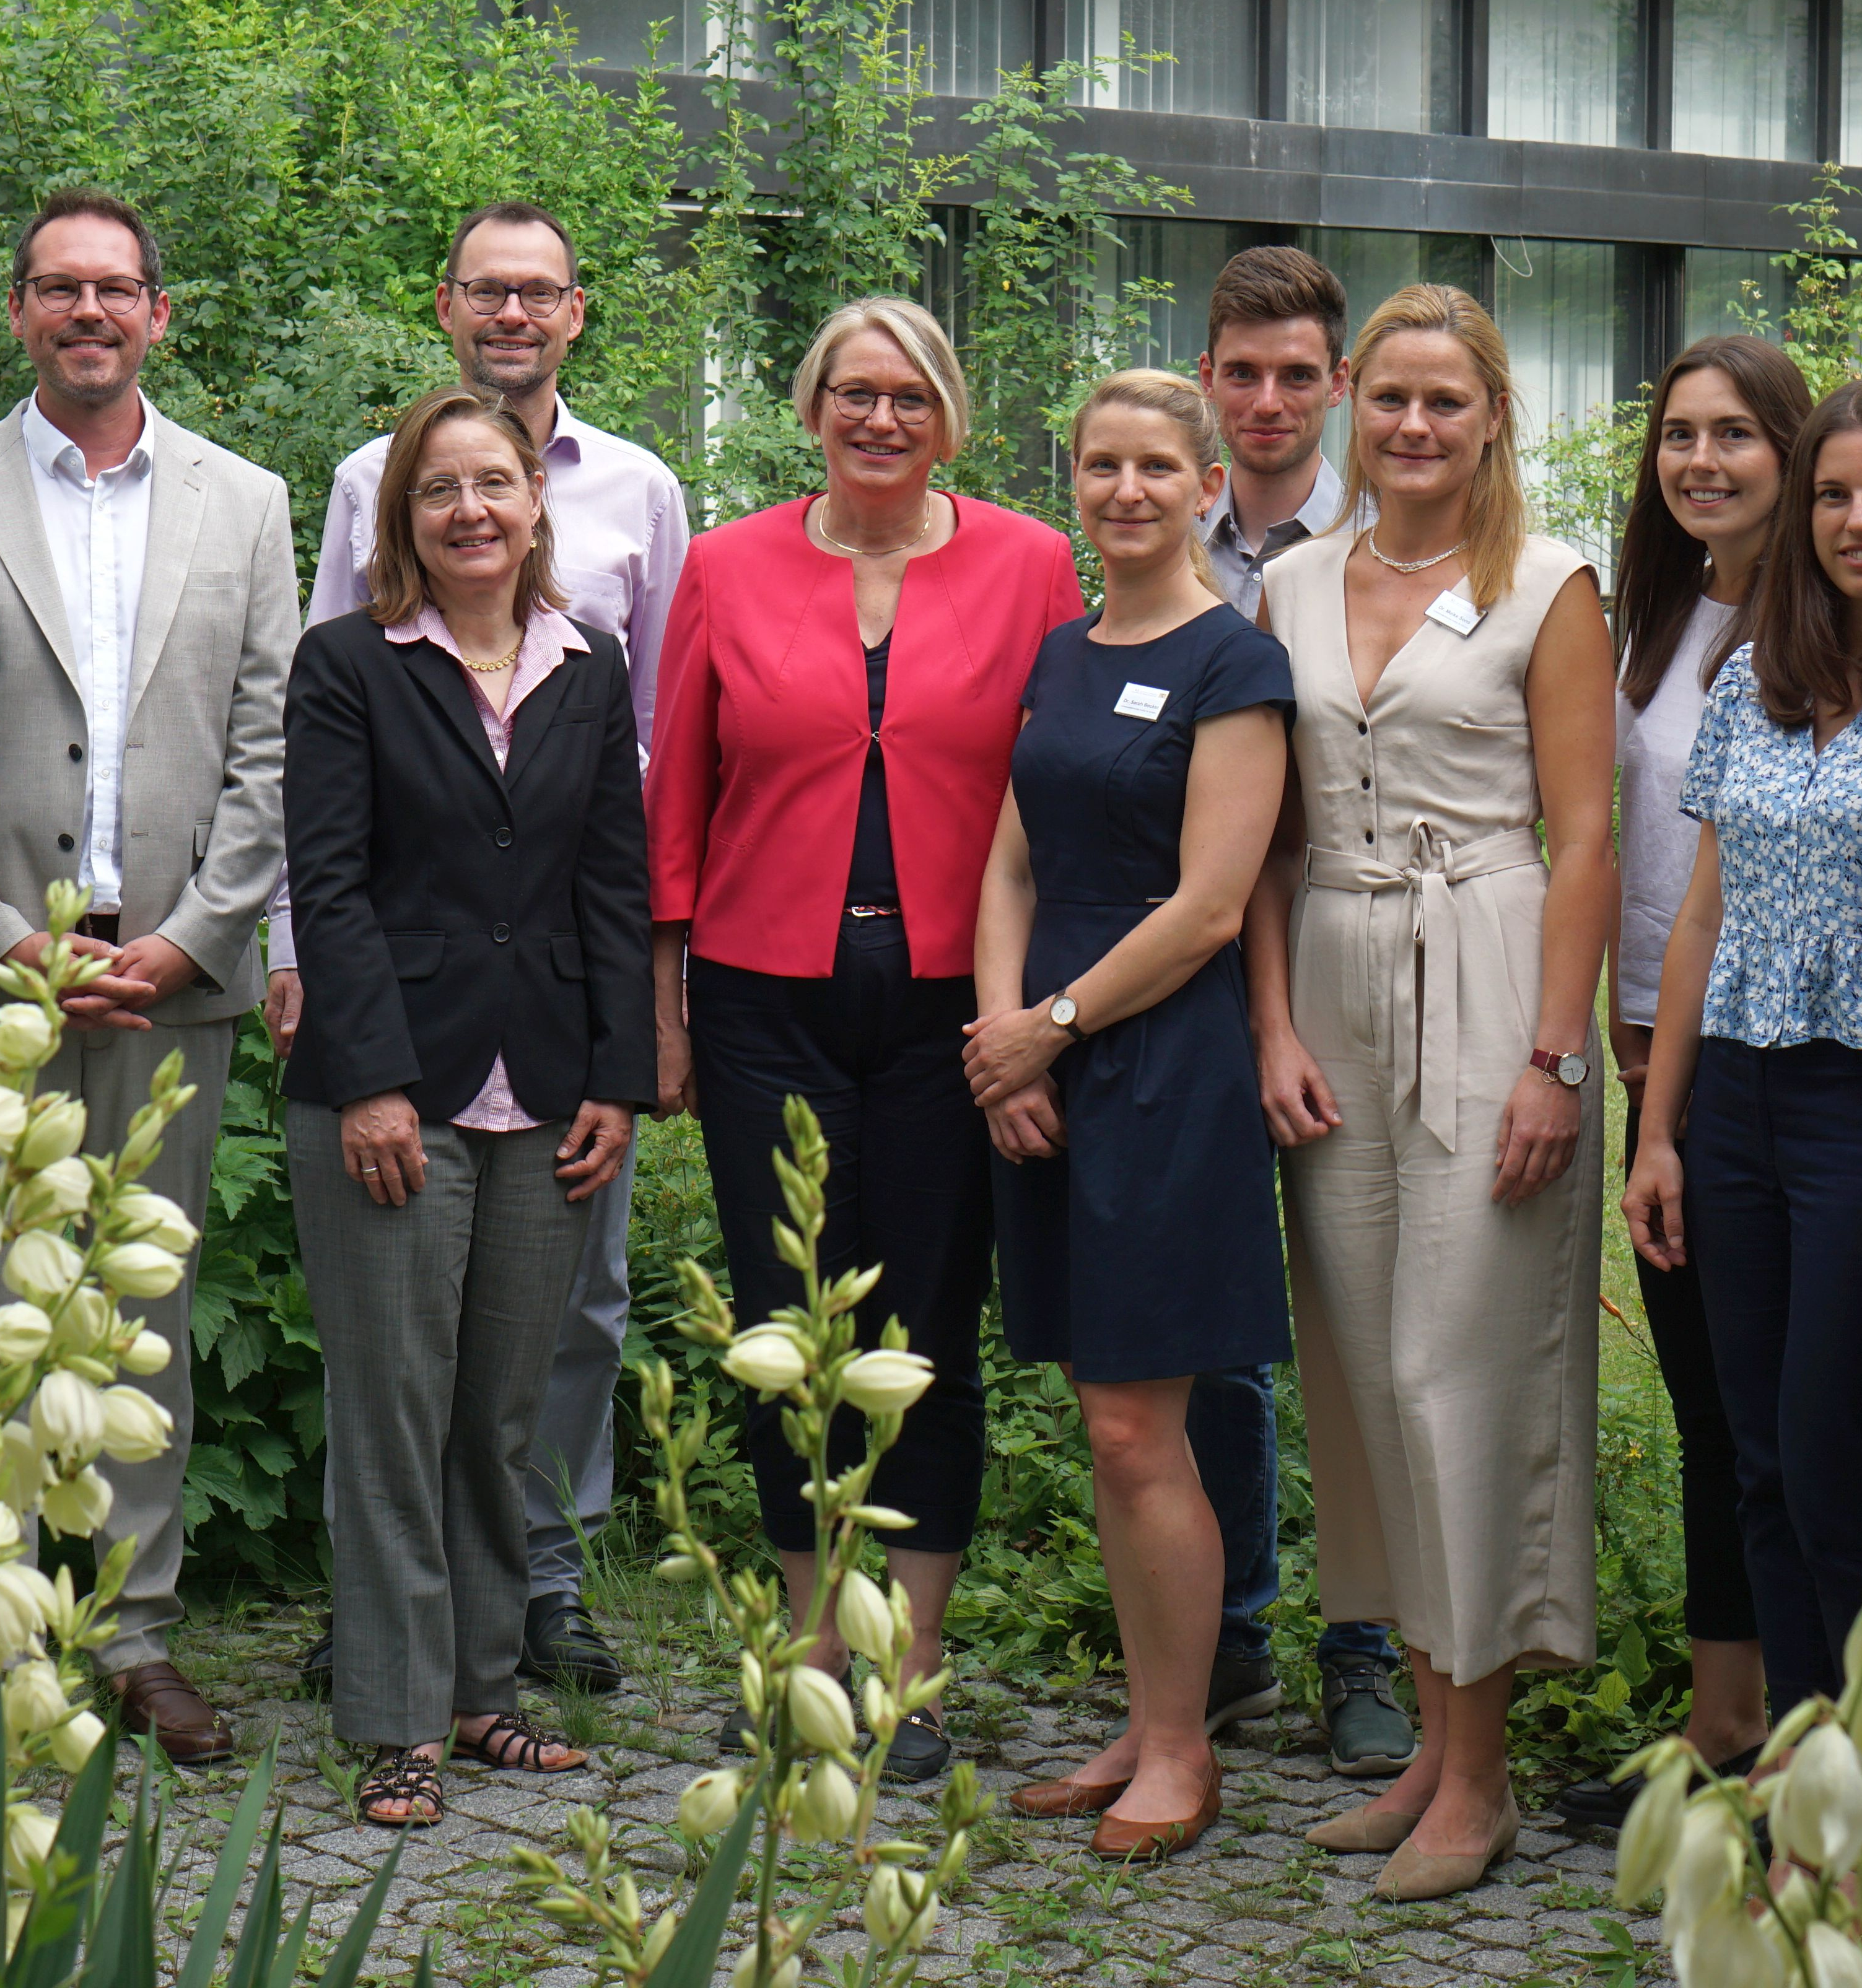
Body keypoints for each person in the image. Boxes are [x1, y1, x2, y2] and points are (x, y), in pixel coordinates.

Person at [645, 297, 1084, 1785]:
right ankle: (810, 1650)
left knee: (929, 1330)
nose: (879, 419)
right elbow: (679, 797)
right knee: (788, 1334)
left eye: (908, 396)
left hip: (957, 998)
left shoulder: (1032, 562)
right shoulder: (725, 561)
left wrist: (1040, 1011)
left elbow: (1061, 781)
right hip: (765, 990)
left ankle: (915, 1666)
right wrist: (667, 1005)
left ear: (947, 413)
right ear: (812, 405)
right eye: (853, 393)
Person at [269, 200, 689, 1696]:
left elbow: (620, 849)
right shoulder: (351, 652)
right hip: (403, 1048)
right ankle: (395, 1691)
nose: (471, 509)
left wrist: (626, 1067)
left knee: (523, 1380)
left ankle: (504, 1654)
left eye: (494, 487)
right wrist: (347, 1045)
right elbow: (327, 854)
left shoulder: (603, 633)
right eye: (441, 490)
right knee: (395, 1385)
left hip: (556, 1051)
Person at [0, 188, 297, 1765]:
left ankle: (133, 1630)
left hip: (171, 979)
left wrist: (191, 935)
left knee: (142, 1306)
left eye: (115, 289)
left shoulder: (247, 500)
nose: (88, 312)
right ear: (17, 311)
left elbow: (275, 749)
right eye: (58, 288)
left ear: (160, 311)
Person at [1247, 284, 1617, 1902]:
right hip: (1332, 967)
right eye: (1386, 397)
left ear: (1491, 419)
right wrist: (1271, 1027)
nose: (1410, 427)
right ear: (1347, 402)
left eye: (1443, 403)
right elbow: (1262, 839)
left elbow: (1588, 836)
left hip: (1487, 968)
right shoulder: (1288, 585)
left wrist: (1557, 1054)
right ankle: (1426, 1745)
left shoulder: (1548, 584)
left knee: (1456, 1365)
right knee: (1362, 1379)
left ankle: (1484, 1779)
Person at [969, 370, 1296, 1864]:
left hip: (1163, 1059)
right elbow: (1011, 859)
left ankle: (1184, 1742)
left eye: (1158, 465)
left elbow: (1216, 903)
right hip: (1052, 1050)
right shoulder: (1060, 648)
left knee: (1136, 1419)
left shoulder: (1237, 662)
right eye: (1100, 464)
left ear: (1207, 481)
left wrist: (1054, 1024)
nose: (1126, 490)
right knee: (1107, 1430)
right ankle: (1148, 1713)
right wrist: (1002, 1042)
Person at [1628, 378, 1862, 1726]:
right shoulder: (1754, 681)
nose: (1858, 518)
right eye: (1835, 493)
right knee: (1760, 1457)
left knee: (1835, 1454)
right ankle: (1801, 1756)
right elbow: (1698, 918)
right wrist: (1660, 1133)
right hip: (1732, 1099)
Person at [1550, 333, 1811, 1831]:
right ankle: (1723, 1717)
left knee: (1789, 1413)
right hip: (1658, 1046)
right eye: (1679, 435)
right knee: (1714, 1405)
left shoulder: (1831, 616)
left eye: (1734, 434)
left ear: (1789, 444)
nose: (1701, 460)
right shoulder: (1649, 612)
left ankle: (1811, 1733)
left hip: (1781, 1049)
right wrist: (1626, 1042)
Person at [1185, 243, 1409, 1779]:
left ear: (1336, 385)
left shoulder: (1405, 540)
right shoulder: (1147, 524)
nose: (1266, 400)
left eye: (1294, 374)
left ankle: (1372, 1643)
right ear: (1208, 375)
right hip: (1185, 971)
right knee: (1213, 1322)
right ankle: (1226, 1632)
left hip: (1356, 959)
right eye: (1239, 371)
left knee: (1367, 1313)